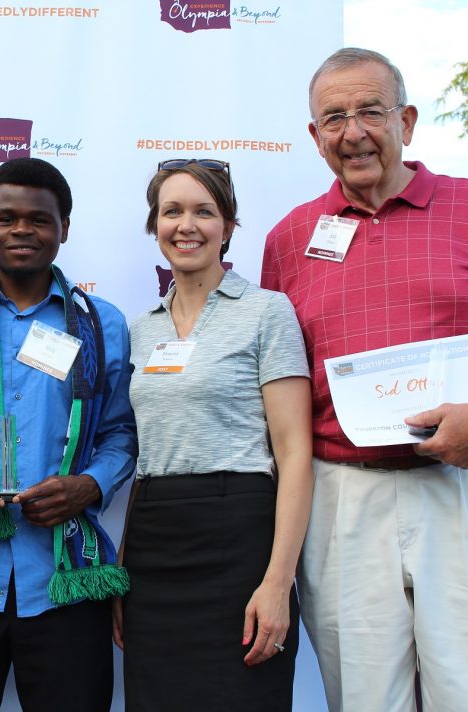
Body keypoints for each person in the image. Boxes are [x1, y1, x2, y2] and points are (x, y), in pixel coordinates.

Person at [262, 47, 468, 712]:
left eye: (372, 111)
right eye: (333, 118)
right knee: (363, 699)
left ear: (409, 120)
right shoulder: (288, 240)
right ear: (315, 138)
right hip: (343, 498)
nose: (354, 131)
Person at [0, 157, 136, 712]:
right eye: (5, 217)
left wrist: (88, 486)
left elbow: (121, 434)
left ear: (64, 228)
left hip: (65, 578)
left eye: (39, 219)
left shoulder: (102, 324)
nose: (21, 230)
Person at [114, 159, 312, 711]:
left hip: (238, 536)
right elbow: (148, 453)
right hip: (155, 546)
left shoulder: (268, 313)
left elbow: (295, 454)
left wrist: (278, 582)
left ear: (229, 225)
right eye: (171, 211)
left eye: (205, 211)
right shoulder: (141, 328)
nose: (187, 225)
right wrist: (127, 564)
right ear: (154, 226)